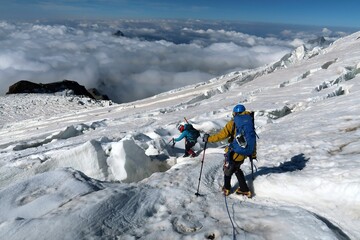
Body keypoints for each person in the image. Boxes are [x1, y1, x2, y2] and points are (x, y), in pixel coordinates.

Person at [203, 104, 256, 198]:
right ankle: (244, 189)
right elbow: (252, 139)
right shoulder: (249, 122)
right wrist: (253, 154)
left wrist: (208, 139)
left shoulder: (233, 123)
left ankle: (227, 188)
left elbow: (221, 135)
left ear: (235, 113)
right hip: (244, 153)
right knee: (236, 168)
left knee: (227, 169)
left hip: (234, 152)